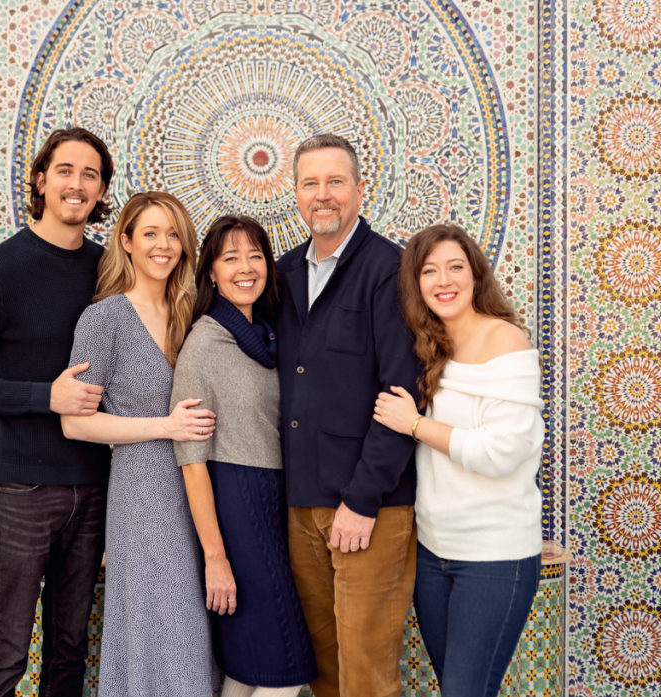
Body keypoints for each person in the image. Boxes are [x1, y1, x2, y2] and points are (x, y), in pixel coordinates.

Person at [0, 127, 114, 697]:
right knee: (5, 652)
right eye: (65, 171)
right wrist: (46, 397)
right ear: (41, 180)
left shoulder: (110, 270)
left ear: (102, 188)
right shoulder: (1, 270)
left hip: (93, 485)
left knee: (69, 650)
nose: (76, 184)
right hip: (20, 492)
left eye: (90, 174)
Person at [275, 133, 421, 697]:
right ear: (295, 194)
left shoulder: (390, 269)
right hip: (300, 505)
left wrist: (362, 501)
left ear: (361, 189)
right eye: (310, 183)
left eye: (335, 181)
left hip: (369, 509)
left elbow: (404, 392)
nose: (323, 195)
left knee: (366, 675)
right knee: (326, 671)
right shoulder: (284, 273)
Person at [372, 223, 543, 697]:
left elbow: (501, 453)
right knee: (456, 688)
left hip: (494, 556)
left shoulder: (503, 340)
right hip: (433, 553)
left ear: (475, 276)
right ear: (415, 283)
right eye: (429, 271)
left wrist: (414, 423)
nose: (443, 280)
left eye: (455, 267)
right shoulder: (427, 345)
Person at [59, 191, 217, 697]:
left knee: (198, 621)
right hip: (144, 491)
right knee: (165, 626)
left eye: (173, 234)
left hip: (203, 485)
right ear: (126, 242)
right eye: (150, 233)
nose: (163, 245)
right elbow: (76, 425)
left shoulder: (192, 311)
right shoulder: (103, 319)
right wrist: (163, 427)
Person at [171, 216, 317, 697]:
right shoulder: (204, 343)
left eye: (255, 255)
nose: (246, 267)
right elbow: (192, 462)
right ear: (211, 271)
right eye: (230, 258)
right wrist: (216, 557)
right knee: (286, 666)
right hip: (236, 503)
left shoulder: (270, 338)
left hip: (276, 500)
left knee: (249, 662)